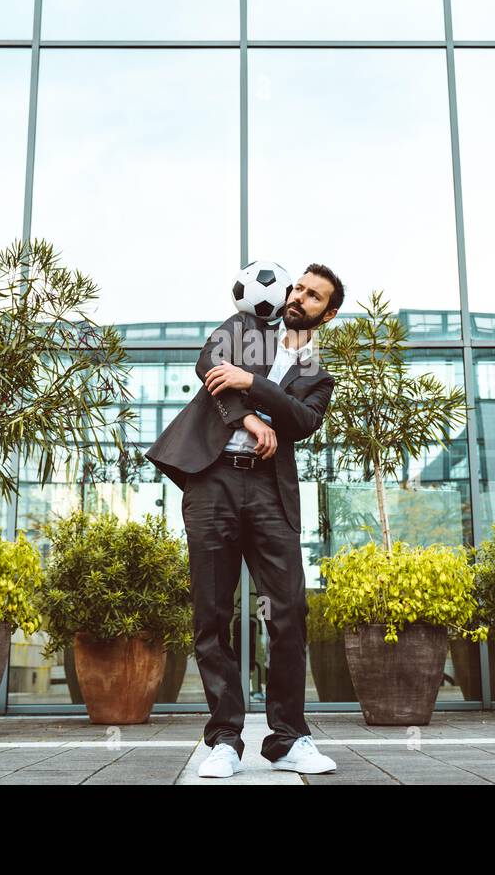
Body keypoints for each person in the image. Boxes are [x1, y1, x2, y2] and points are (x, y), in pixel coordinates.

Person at [145, 263, 344, 777]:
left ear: (329, 312)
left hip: (268, 490)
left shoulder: (319, 376)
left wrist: (251, 381)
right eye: (298, 287)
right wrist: (249, 415)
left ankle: (288, 738)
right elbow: (208, 363)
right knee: (212, 612)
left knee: (290, 610)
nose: (299, 297)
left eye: (313, 296)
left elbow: (302, 422)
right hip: (212, 479)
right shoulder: (245, 325)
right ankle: (225, 740)